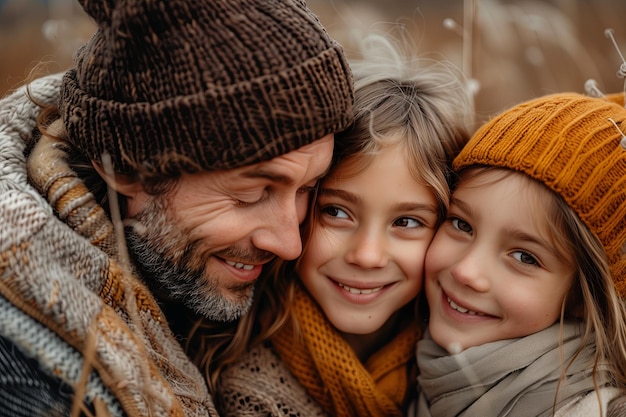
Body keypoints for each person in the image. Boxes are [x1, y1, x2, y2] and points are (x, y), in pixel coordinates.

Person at [0, 0, 354, 415]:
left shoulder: (250, 301)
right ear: (125, 167)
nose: (289, 244)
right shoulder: (27, 378)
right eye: (250, 195)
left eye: (307, 188)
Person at [186, 34, 475, 416]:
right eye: (337, 212)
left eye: (406, 221)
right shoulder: (249, 388)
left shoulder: (465, 366)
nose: (367, 255)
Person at [415, 92, 626, 417]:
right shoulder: (414, 373)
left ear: (585, 299)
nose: (466, 271)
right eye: (461, 224)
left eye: (525, 257)